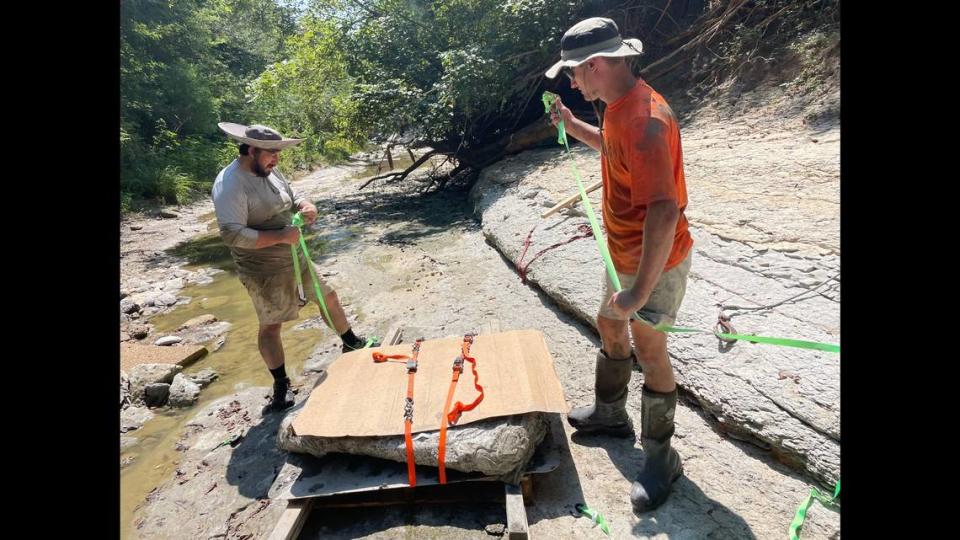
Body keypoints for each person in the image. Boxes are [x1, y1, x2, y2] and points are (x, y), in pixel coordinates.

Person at [544, 18, 694, 512]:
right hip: (623, 252)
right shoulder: (615, 108)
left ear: (596, 65)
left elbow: (665, 210)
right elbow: (611, 151)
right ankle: (611, 414)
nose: (570, 82)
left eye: (572, 72)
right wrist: (571, 125)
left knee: (650, 352)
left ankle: (660, 457)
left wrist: (641, 289)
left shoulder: (645, 120)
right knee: (610, 324)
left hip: (655, 258)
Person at [212, 122, 379, 412]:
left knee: (327, 295)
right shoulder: (230, 184)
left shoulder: (269, 169)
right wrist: (279, 236)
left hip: (293, 253)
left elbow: (290, 194)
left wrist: (305, 204)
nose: (277, 158)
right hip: (261, 267)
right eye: (271, 152)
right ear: (250, 150)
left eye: (278, 152)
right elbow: (232, 234)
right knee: (271, 325)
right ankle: (281, 386)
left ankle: (351, 342)